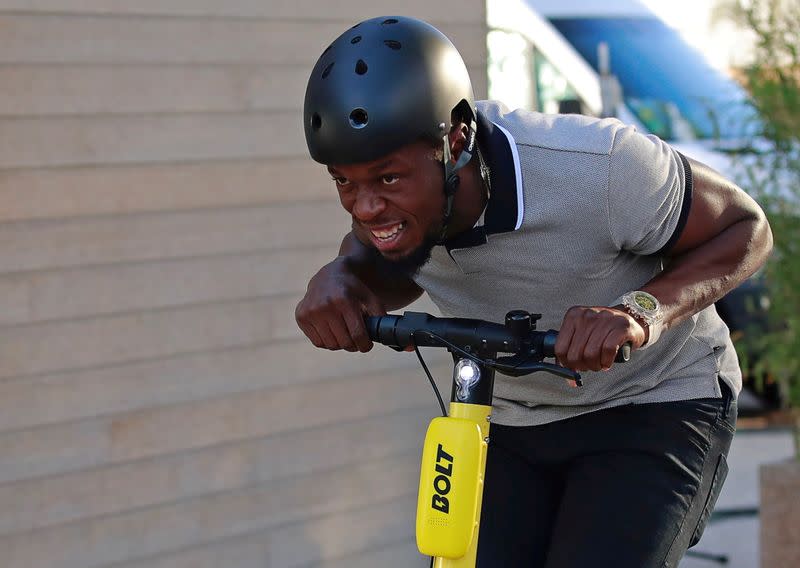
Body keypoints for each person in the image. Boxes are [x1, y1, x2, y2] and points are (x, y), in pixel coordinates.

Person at [295, 16, 773, 568]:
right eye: (343, 182)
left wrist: (640, 312)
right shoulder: (392, 215)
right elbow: (379, 253)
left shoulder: (600, 168)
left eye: (388, 179)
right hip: (512, 418)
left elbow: (747, 229)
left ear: (454, 141)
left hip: (653, 401)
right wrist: (343, 279)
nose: (365, 206)